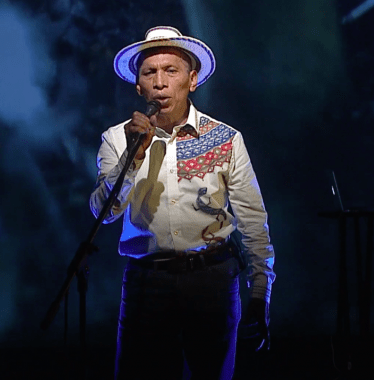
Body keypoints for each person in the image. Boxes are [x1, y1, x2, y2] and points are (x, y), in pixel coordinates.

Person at [89, 26, 276, 380]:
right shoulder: (116, 139)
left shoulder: (225, 138)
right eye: (150, 72)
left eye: (170, 71)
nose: (160, 82)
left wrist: (260, 291)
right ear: (138, 85)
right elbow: (102, 212)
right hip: (146, 282)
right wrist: (134, 156)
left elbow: (253, 219)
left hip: (213, 280)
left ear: (192, 81)